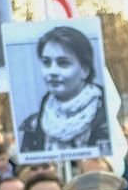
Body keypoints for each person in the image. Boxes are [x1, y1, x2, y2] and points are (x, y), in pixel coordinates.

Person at [18, 26, 110, 156]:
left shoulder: (107, 117)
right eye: (46, 62)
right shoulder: (33, 125)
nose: (52, 71)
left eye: (63, 63)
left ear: (85, 70)